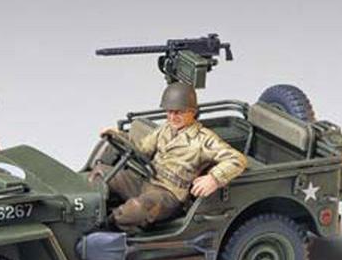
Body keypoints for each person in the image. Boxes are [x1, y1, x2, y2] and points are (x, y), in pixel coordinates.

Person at [91, 82, 248, 233]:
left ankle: (105, 226)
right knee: (100, 173)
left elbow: (237, 159)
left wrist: (214, 179)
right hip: (147, 178)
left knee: (136, 208)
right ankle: (92, 211)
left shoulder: (203, 139)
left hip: (169, 194)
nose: (172, 117)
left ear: (192, 112)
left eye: (179, 112)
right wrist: (119, 136)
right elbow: (142, 150)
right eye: (169, 112)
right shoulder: (165, 129)